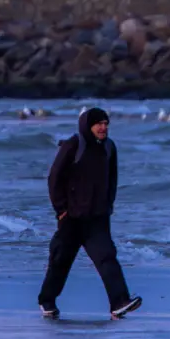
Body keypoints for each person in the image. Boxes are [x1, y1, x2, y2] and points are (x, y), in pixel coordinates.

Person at [37, 107, 142, 319]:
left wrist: (108, 206)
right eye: (98, 124)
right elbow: (54, 178)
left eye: (106, 123)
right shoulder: (73, 145)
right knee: (60, 261)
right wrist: (61, 211)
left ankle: (119, 303)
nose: (103, 128)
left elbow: (112, 180)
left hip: (97, 219)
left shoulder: (109, 147)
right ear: (88, 125)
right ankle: (47, 300)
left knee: (107, 258)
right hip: (72, 218)